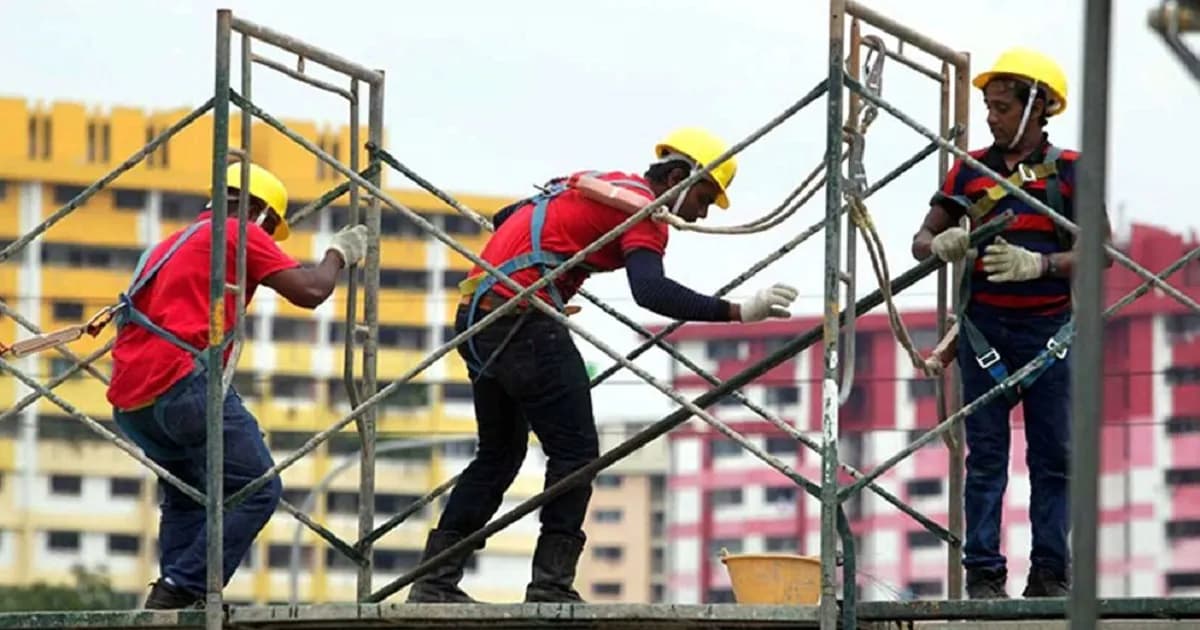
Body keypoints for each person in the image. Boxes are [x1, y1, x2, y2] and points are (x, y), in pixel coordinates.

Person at [407, 128, 799, 604]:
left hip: (478, 320)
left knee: (497, 456)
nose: (701, 213)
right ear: (678, 177)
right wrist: (737, 311)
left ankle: (433, 583)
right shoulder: (644, 213)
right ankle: (549, 587)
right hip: (525, 324)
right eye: (704, 196)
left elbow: (506, 216)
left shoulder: (598, 185)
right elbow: (650, 291)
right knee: (575, 455)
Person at [106, 162, 369, 609]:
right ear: (259, 212)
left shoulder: (166, 245)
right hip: (181, 385)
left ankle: (172, 602)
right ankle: (183, 589)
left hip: (134, 403)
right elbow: (310, 291)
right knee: (258, 487)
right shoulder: (236, 232)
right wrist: (338, 254)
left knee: (191, 500)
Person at [911, 48, 1111, 600]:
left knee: (1055, 458)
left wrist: (1041, 264)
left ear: (1036, 107)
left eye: (1001, 107)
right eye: (988, 106)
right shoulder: (968, 171)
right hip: (985, 334)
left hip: (1050, 334)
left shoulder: (1070, 171)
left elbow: (1102, 251)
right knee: (987, 459)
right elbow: (920, 241)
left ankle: (1049, 574)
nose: (992, 117)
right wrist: (942, 243)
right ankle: (983, 575)